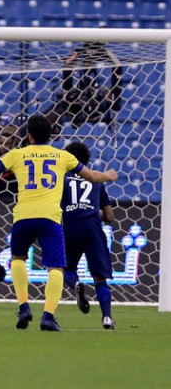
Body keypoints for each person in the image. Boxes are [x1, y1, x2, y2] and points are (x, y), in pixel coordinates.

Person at [0, 114, 118, 332]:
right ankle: (48, 316)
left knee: (18, 259)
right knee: (56, 268)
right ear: (50, 136)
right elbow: (93, 177)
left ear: (28, 135)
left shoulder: (17, 155)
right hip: (51, 219)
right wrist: (108, 175)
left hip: (24, 217)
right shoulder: (62, 157)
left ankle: (24, 307)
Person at [61, 141, 116, 329]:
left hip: (69, 227)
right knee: (100, 278)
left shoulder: (62, 179)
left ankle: (76, 283)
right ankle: (107, 317)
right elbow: (109, 216)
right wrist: (93, 211)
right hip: (92, 228)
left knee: (65, 269)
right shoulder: (97, 180)